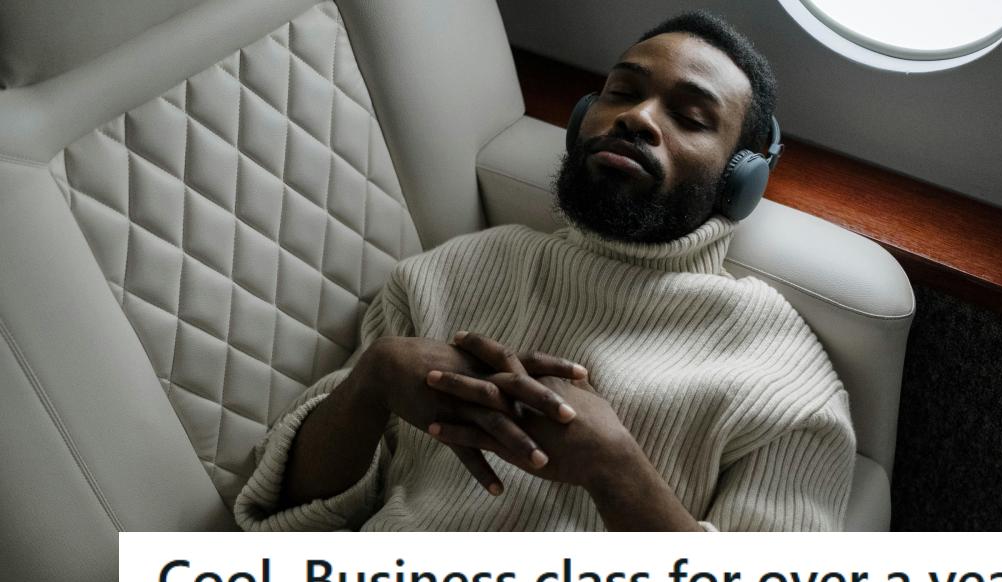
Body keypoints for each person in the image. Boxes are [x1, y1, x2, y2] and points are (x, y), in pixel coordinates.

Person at [234, 11, 854, 532]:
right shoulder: (451, 273)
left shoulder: (786, 381)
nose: (637, 118)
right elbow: (286, 516)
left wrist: (615, 469)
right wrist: (374, 380)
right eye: (621, 91)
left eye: (691, 118)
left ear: (741, 178)